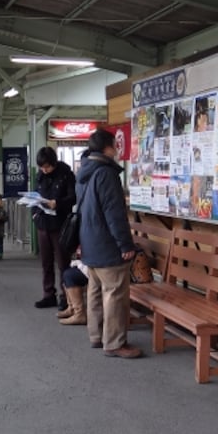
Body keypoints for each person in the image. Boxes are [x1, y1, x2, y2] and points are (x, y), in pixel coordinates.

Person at [76, 128, 143, 358]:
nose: (117, 148)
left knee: (95, 291)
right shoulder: (106, 173)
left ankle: (96, 336)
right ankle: (114, 343)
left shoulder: (84, 171)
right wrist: (125, 245)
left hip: (90, 243)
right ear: (107, 147)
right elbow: (114, 214)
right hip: (106, 245)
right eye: (114, 144)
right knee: (114, 293)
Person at [33, 146, 76, 309]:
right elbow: (36, 194)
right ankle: (48, 294)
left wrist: (57, 204)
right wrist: (35, 213)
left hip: (60, 224)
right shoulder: (40, 176)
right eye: (41, 167)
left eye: (47, 167)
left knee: (63, 261)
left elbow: (73, 197)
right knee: (46, 262)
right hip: (42, 223)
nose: (44, 170)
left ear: (54, 163)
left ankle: (66, 296)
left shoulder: (66, 174)